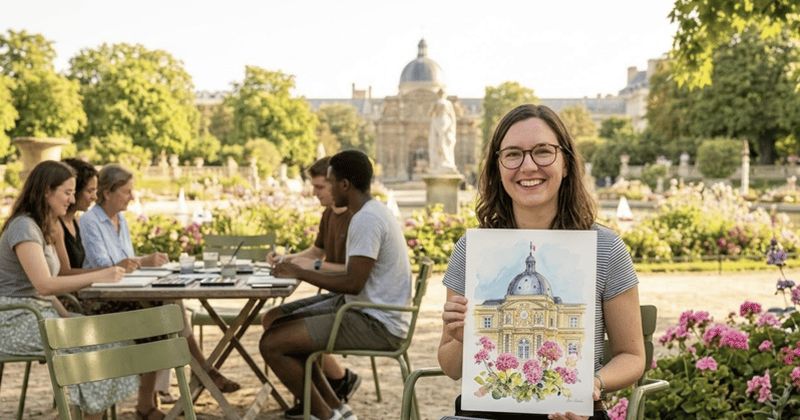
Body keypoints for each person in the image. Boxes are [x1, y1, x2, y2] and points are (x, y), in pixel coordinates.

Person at [438, 105, 644, 420]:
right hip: (487, 413)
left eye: (543, 152)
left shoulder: (605, 248)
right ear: (498, 168)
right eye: (512, 154)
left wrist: (593, 383)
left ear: (565, 164)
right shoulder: (471, 250)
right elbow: (451, 368)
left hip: (573, 412)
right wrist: (458, 337)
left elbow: (632, 356)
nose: (528, 166)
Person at [79, 164, 240, 418]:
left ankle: (151, 401)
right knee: (164, 313)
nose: (132, 197)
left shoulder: (120, 219)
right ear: (107, 192)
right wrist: (142, 262)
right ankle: (200, 369)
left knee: (169, 304)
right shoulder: (90, 221)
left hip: (125, 293)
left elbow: (125, 262)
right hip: (101, 299)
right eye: (126, 191)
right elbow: (103, 265)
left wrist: (144, 261)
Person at [264, 150, 412, 420]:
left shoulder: (366, 219)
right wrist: (299, 267)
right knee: (275, 320)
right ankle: (337, 409)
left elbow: (353, 283)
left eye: (330, 182)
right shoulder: (370, 211)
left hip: (376, 322)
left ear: (344, 185)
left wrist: (300, 271)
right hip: (364, 309)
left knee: (272, 344)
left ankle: (328, 416)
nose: (327, 189)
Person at [0, 160, 136, 419]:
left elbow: (45, 291)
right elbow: (44, 284)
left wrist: (66, 315)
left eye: (74, 192)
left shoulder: (42, 226)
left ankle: (85, 415)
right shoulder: (24, 227)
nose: (72, 199)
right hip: (13, 320)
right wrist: (101, 275)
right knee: (97, 347)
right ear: (45, 192)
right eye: (67, 192)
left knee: (113, 341)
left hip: (37, 314)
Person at [52, 158, 178, 410]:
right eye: (88, 191)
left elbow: (103, 267)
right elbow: (65, 273)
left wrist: (124, 266)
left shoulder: (75, 222)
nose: (93, 196)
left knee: (162, 312)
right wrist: (115, 269)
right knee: (155, 317)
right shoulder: (69, 224)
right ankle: (150, 401)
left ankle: (150, 401)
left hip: (95, 294)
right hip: (82, 302)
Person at [262, 157, 361, 417]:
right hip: (337, 293)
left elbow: (352, 272)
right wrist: (288, 259)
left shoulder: (357, 218)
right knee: (272, 318)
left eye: (319, 187)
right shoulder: (329, 214)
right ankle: (325, 392)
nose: (314, 193)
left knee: (278, 335)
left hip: (346, 297)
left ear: (338, 185)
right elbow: (318, 251)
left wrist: (305, 268)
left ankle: (328, 392)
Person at [428, 88, 458, 173]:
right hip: (446, 121)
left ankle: (441, 160)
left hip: (439, 121)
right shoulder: (448, 103)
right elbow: (452, 116)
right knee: (443, 141)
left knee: (438, 141)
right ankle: (445, 160)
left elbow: (429, 113)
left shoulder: (436, 103)